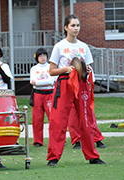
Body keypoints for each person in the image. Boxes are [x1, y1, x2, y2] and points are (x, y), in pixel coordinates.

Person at [46, 14, 106, 166]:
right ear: (66, 27)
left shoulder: (84, 46)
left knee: (86, 121)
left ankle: (93, 156)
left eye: (78, 25)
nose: (76, 28)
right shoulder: (59, 46)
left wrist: (87, 71)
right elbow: (51, 71)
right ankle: (53, 158)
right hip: (65, 83)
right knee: (58, 122)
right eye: (73, 25)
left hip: (82, 84)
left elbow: (89, 68)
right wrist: (66, 68)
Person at [69, 66, 106, 149]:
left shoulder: (87, 67)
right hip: (71, 93)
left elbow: (90, 81)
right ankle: (76, 141)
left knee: (89, 117)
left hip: (83, 93)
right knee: (72, 119)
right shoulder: (67, 67)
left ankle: (97, 139)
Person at [29, 48, 56, 147]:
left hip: (49, 94)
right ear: (37, 57)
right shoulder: (34, 68)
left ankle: (56, 138)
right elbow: (32, 82)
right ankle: (37, 140)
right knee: (37, 118)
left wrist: (39, 82)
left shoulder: (51, 67)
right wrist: (46, 82)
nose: (43, 57)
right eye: (40, 56)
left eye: (44, 55)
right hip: (37, 95)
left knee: (53, 118)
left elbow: (52, 81)